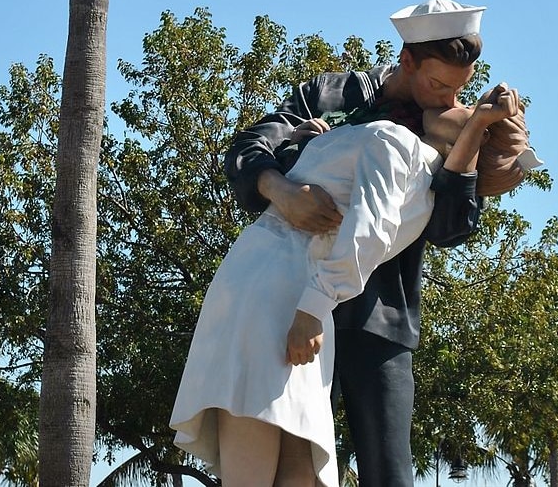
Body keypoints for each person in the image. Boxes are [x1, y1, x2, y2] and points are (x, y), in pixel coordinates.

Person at [170, 86, 528, 486]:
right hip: (296, 296)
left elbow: (367, 235)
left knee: (263, 455)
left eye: (463, 108)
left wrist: (312, 308)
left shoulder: (393, 141)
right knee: (296, 455)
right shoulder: (420, 185)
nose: (455, 102)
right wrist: (303, 144)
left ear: (471, 139)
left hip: (273, 287)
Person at [222, 0, 507, 486]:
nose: (446, 100)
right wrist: (281, 189)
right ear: (406, 60)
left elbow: (450, 229)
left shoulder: (455, 129)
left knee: (390, 471)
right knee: (295, 464)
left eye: (459, 89)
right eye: (437, 84)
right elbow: (248, 147)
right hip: (294, 303)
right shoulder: (332, 94)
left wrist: (471, 150)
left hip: (382, 318)